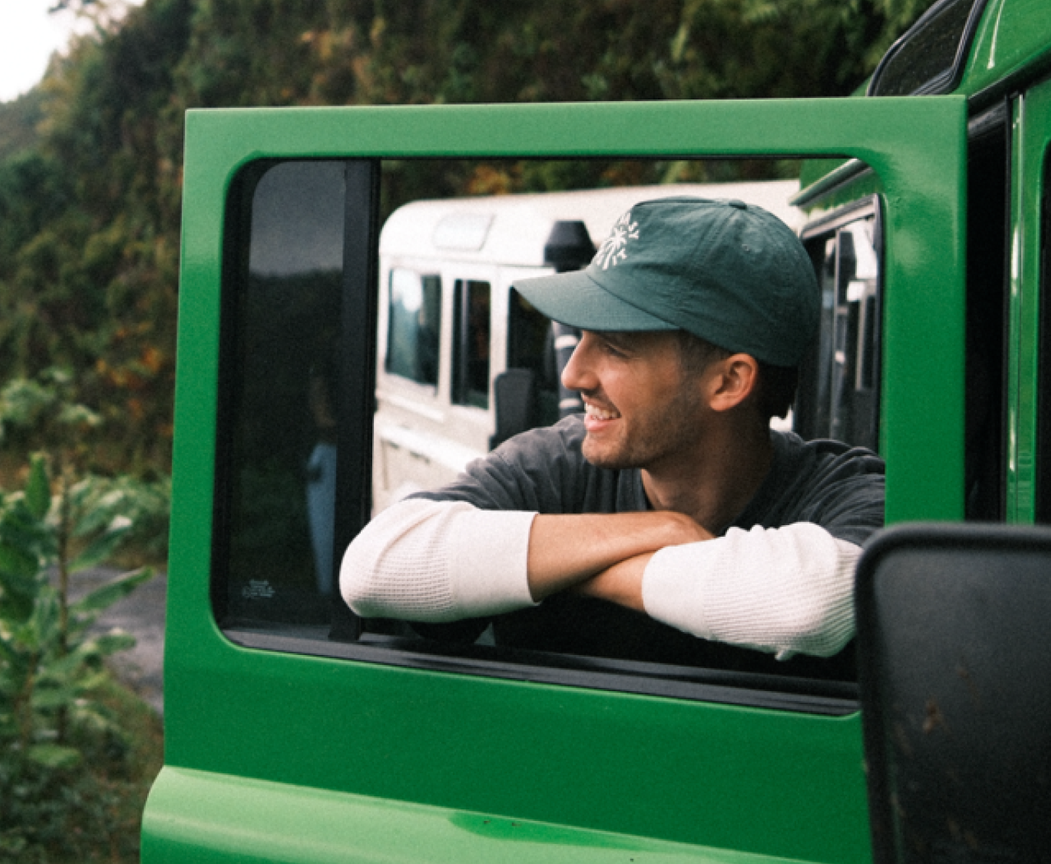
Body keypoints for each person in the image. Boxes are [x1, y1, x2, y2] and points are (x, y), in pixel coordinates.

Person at [339, 196, 884, 677]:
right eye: (580, 339)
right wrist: (657, 529)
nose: (574, 374)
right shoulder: (556, 461)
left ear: (730, 380)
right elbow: (374, 567)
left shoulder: (847, 491)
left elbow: (812, 602)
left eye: (616, 347)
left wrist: (568, 570)